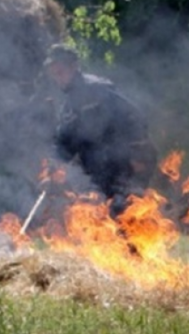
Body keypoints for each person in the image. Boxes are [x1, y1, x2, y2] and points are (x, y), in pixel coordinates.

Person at [42, 43, 157, 215]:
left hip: (123, 165)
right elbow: (64, 143)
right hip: (98, 173)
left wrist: (137, 151)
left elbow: (134, 116)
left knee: (125, 215)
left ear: (74, 66)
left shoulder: (98, 89)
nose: (58, 79)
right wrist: (54, 167)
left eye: (61, 72)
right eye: (54, 75)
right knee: (99, 218)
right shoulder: (68, 108)